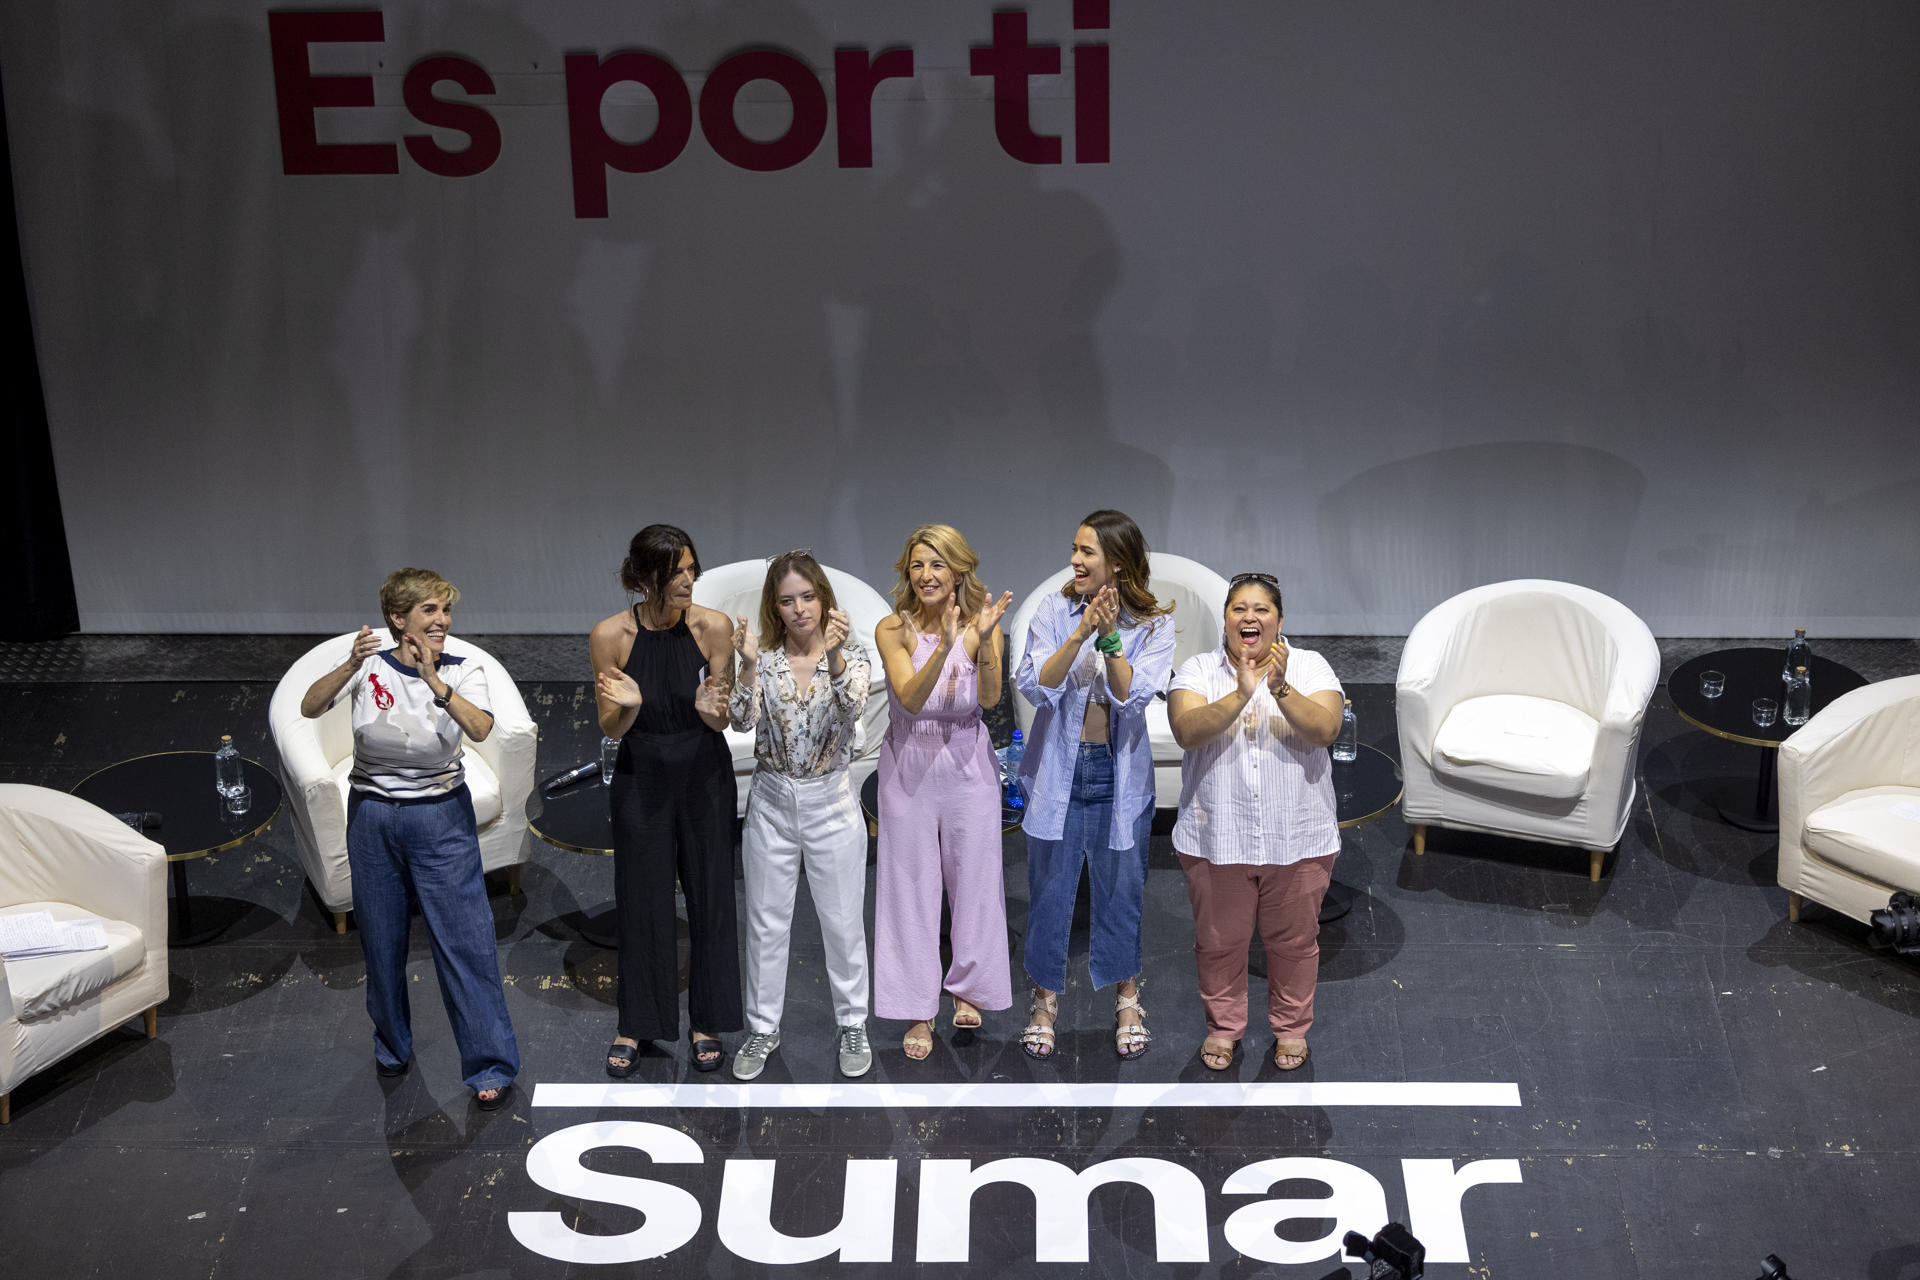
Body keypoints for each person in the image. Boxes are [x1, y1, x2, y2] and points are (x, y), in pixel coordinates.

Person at [300, 568, 519, 1110]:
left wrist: (434, 683)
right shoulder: (367, 665)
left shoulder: (465, 670)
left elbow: (481, 729)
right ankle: (392, 1043)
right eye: (429, 610)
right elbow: (310, 705)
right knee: (382, 941)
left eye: (445, 610)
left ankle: (489, 1063)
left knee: (465, 943)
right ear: (399, 620)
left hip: (440, 818)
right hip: (372, 816)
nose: (442, 620)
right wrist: (349, 663)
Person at [1012, 510, 1176, 1060]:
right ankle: (1044, 1000)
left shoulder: (1154, 626)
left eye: (1087, 552)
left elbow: (1131, 697)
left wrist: (1109, 638)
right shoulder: (1055, 611)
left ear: (1117, 563)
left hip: (1117, 772)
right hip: (1059, 768)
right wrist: (1080, 631)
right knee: (1051, 892)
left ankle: (1128, 998)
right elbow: (1035, 687)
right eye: (1074, 549)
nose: (1075, 561)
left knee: (1120, 891)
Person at [1166, 572, 1344, 1072]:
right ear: (1225, 620)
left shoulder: (1309, 667)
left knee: (1294, 944)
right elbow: (1186, 731)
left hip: (1299, 836)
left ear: (1280, 621)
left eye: (1261, 609)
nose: (1250, 617)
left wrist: (1280, 688)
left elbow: (1326, 728)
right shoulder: (1199, 670)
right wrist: (1242, 692)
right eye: (1238, 608)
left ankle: (1291, 1030)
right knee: (1220, 945)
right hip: (1217, 836)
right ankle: (1223, 1029)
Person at [591, 525, 740, 1075]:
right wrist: (630, 704)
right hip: (642, 774)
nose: (689, 580)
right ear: (645, 576)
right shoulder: (611, 636)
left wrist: (711, 710)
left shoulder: (712, 628)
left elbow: (722, 716)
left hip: (704, 770)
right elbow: (612, 726)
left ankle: (709, 1018)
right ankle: (638, 1022)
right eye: (677, 571)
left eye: (692, 569)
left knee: (711, 894)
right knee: (642, 898)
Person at [727, 551, 876, 1079]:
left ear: (824, 599)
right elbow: (740, 720)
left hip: (831, 800)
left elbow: (851, 709)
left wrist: (832, 658)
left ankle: (852, 1022)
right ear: (775, 607)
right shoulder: (763, 661)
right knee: (766, 924)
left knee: (841, 923)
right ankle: (762, 1029)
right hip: (771, 800)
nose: (799, 609)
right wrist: (745, 664)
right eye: (787, 600)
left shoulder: (854, 657)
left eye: (808, 597)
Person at [872, 524, 1014, 1060]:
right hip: (910, 763)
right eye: (917, 565)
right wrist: (950, 646)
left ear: (958, 570)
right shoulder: (894, 628)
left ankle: (968, 987)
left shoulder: (984, 623)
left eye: (937, 565)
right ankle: (917, 1008)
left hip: (967, 761)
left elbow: (993, 696)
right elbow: (909, 697)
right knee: (910, 888)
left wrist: (982, 644)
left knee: (974, 881)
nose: (926, 575)